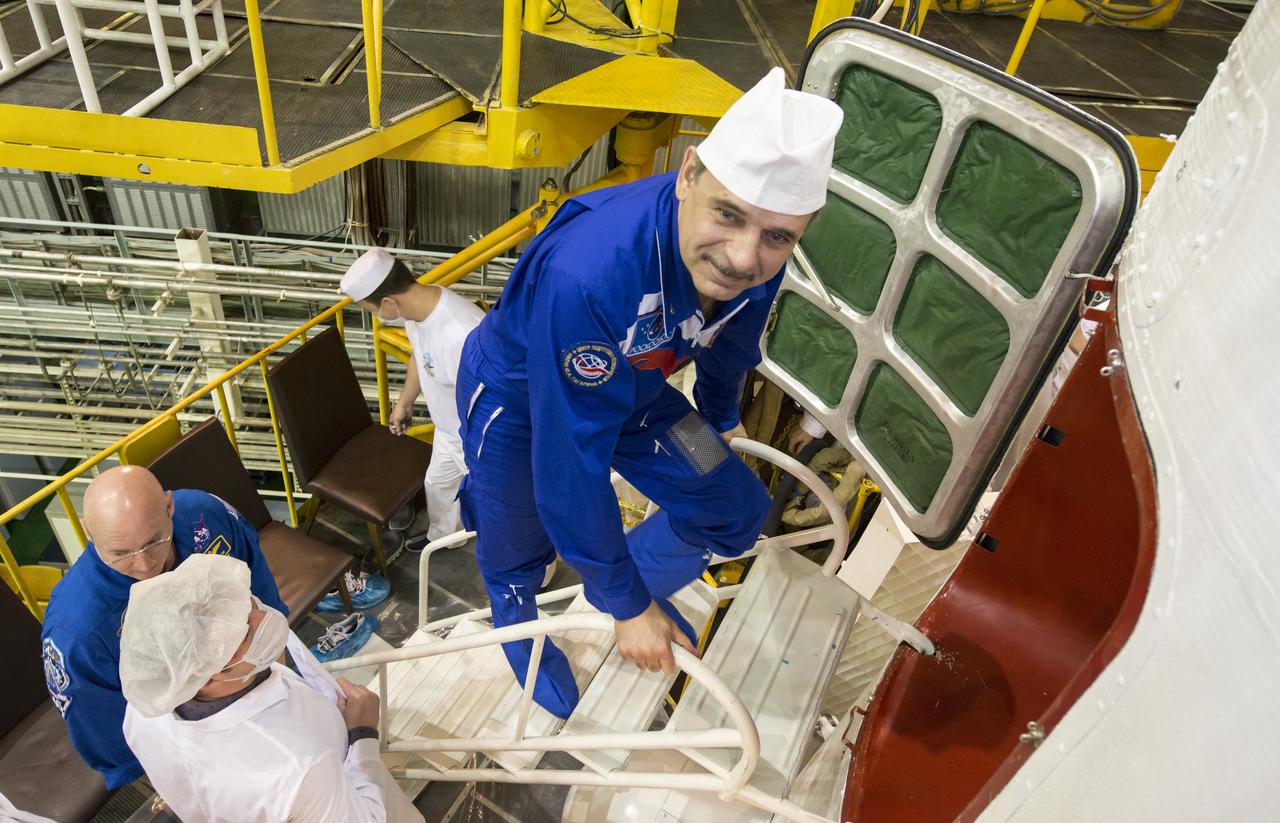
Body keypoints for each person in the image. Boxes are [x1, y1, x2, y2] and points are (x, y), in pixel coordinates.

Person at [455, 67, 843, 716]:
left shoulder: (758, 254)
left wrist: (720, 415)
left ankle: (625, 584)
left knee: (735, 509)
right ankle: (524, 625)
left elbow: (732, 342)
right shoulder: (593, 272)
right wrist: (627, 604)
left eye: (778, 235)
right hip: (522, 402)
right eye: (728, 214)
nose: (744, 257)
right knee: (519, 548)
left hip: (632, 388)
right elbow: (569, 466)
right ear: (688, 175)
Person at [119, 553, 424, 823]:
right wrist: (362, 734)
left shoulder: (143, 711)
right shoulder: (297, 767)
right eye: (245, 631)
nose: (264, 618)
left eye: (247, 603)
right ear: (209, 677)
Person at [39, 465, 285, 789]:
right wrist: (171, 783)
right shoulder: (77, 631)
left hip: (251, 677)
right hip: (185, 739)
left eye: (155, 540)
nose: (145, 565)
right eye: (121, 554)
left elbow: (257, 580)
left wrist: (273, 652)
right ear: (88, 532)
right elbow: (105, 730)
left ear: (170, 506)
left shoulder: (204, 516)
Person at [341, 249, 485, 543]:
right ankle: (446, 539)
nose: (376, 317)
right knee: (437, 485)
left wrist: (477, 454)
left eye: (372, 310)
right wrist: (404, 403)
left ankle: (535, 576)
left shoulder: (461, 335)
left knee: (501, 513)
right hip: (449, 431)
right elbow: (419, 357)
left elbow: (492, 404)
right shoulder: (417, 308)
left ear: (388, 302)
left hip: (479, 443)